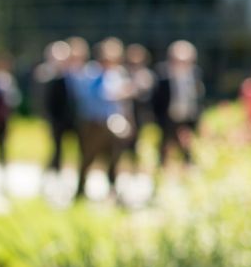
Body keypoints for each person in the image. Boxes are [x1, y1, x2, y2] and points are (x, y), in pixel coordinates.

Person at [74, 37, 133, 200]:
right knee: (88, 158)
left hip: (114, 124)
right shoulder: (90, 73)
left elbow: (124, 102)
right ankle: (80, 190)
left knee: (114, 158)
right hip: (94, 124)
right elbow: (91, 97)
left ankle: (113, 191)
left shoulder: (118, 73)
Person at [151, 40, 204, 168]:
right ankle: (162, 169)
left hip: (187, 118)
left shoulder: (195, 74)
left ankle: (188, 168)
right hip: (168, 118)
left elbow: (197, 98)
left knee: (187, 147)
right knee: (165, 147)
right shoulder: (162, 75)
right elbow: (155, 100)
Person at [34, 39, 76, 175]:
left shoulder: (72, 75)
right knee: (56, 148)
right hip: (55, 118)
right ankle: (52, 172)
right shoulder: (46, 76)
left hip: (71, 118)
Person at [122, 43, 156, 171]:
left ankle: (135, 168)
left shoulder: (146, 74)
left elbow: (144, 92)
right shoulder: (123, 72)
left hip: (140, 114)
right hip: (124, 113)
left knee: (138, 143)